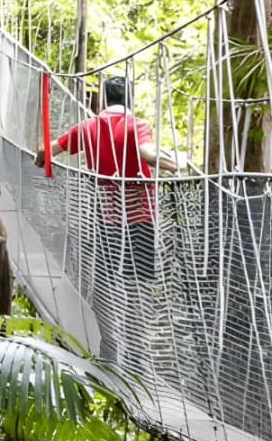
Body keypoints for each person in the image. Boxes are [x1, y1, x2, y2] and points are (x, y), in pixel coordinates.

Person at [35, 76, 181, 363]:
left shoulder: (88, 127)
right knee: (138, 286)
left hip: (107, 219)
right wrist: (177, 163)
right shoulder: (137, 126)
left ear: (103, 99)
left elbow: (47, 150)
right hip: (140, 220)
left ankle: (113, 348)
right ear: (130, 99)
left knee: (109, 283)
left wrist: (41, 159)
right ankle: (138, 353)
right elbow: (147, 153)